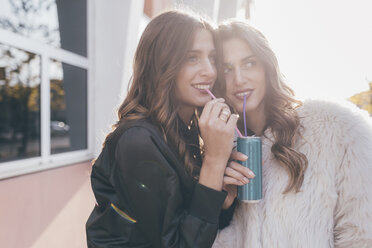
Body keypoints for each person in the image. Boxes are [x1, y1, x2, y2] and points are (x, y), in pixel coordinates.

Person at [86, 11, 253, 248]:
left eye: (213, 58)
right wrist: (214, 161)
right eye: (191, 58)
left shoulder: (185, 133)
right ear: (161, 65)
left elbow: (198, 228)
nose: (210, 71)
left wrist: (222, 200)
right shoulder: (138, 142)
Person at [212, 20, 372, 247]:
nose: (239, 79)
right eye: (227, 69)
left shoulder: (336, 129)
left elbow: (362, 235)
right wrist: (224, 206)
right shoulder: (226, 151)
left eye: (249, 63)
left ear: (267, 66)